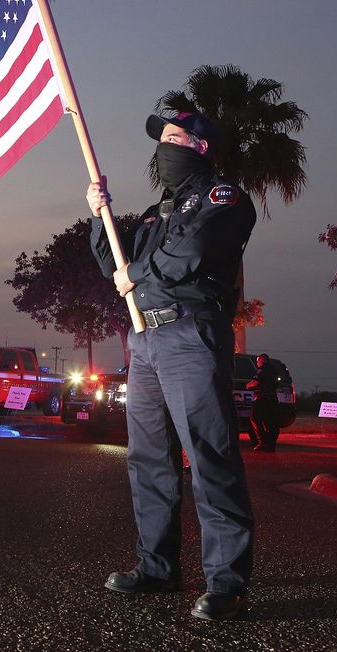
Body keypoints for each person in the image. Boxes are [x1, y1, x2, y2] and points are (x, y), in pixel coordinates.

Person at [86, 111, 256, 621]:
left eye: (173, 138)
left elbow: (196, 250)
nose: (163, 147)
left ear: (200, 146)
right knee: (149, 459)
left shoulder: (223, 197)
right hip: (146, 339)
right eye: (161, 140)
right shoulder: (154, 216)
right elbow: (114, 269)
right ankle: (157, 568)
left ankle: (227, 583)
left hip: (190, 333)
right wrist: (99, 218)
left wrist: (135, 273)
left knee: (208, 455)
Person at [247, 353, 280, 452]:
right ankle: (271, 443)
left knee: (255, 418)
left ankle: (263, 441)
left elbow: (255, 382)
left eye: (258, 361)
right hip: (273, 399)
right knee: (271, 422)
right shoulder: (274, 370)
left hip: (262, 399)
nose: (257, 363)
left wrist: (248, 385)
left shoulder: (262, 370)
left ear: (262, 360)